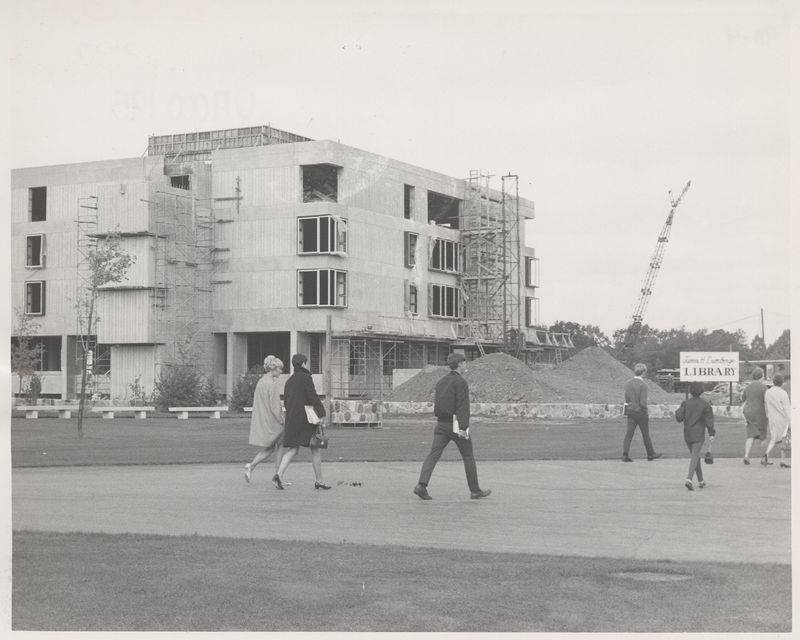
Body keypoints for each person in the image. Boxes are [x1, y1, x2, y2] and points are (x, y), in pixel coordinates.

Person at [413, 353, 491, 500]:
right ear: (460, 364)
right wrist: (463, 427)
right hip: (456, 423)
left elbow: (439, 403)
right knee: (468, 456)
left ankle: (421, 485)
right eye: (465, 363)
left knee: (433, 455)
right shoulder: (461, 382)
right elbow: (462, 406)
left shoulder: (441, 381)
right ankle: (475, 490)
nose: (466, 365)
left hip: (441, 423)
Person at [274, 353, 330, 490]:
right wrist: (322, 413)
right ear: (303, 364)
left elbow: (286, 401)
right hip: (306, 419)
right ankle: (319, 481)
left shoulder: (289, 380)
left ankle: (279, 475)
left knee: (293, 448)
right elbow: (313, 397)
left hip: (292, 418)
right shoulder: (306, 378)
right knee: (315, 448)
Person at [243, 355, 285, 487]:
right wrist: (282, 420)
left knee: (271, 447)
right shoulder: (271, 384)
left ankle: (251, 465)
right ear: (274, 369)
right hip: (273, 420)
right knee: (280, 446)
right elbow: (275, 408)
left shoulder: (261, 381)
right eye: (280, 369)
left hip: (264, 418)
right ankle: (278, 476)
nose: (281, 371)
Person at [676, 381, 715, 490]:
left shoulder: (685, 403)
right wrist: (711, 433)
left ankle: (701, 481)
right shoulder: (705, 404)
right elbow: (709, 421)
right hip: (698, 434)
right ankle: (689, 478)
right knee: (695, 455)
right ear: (701, 391)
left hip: (687, 433)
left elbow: (679, 417)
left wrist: (681, 410)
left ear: (690, 391)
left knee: (695, 456)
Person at [622, 363, 662, 462]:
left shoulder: (628, 383)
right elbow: (643, 402)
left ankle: (625, 454)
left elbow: (627, 398)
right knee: (645, 434)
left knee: (629, 433)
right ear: (643, 372)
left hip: (631, 411)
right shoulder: (643, 385)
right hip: (640, 412)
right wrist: (645, 410)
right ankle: (650, 453)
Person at [741, 366, 768, 465]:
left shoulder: (748, 386)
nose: (764, 377)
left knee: (750, 435)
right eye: (763, 375)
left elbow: (743, 398)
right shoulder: (763, 387)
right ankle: (763, 458)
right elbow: (767, 401)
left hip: (749, 413)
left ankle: (746, 456)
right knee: (762, 437)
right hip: (760, 413)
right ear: (761, 376)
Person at [763, 373, 791, 467]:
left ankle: (766, 455)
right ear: (782, 382)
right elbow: (787, 408)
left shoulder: (768, 392)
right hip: (782, 419)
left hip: (772, 418)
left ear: (773, 382)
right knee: (783, 439)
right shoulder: (783, 393)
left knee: (774, 438)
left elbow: (766, 406)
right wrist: (790, 421)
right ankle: (783, 461)